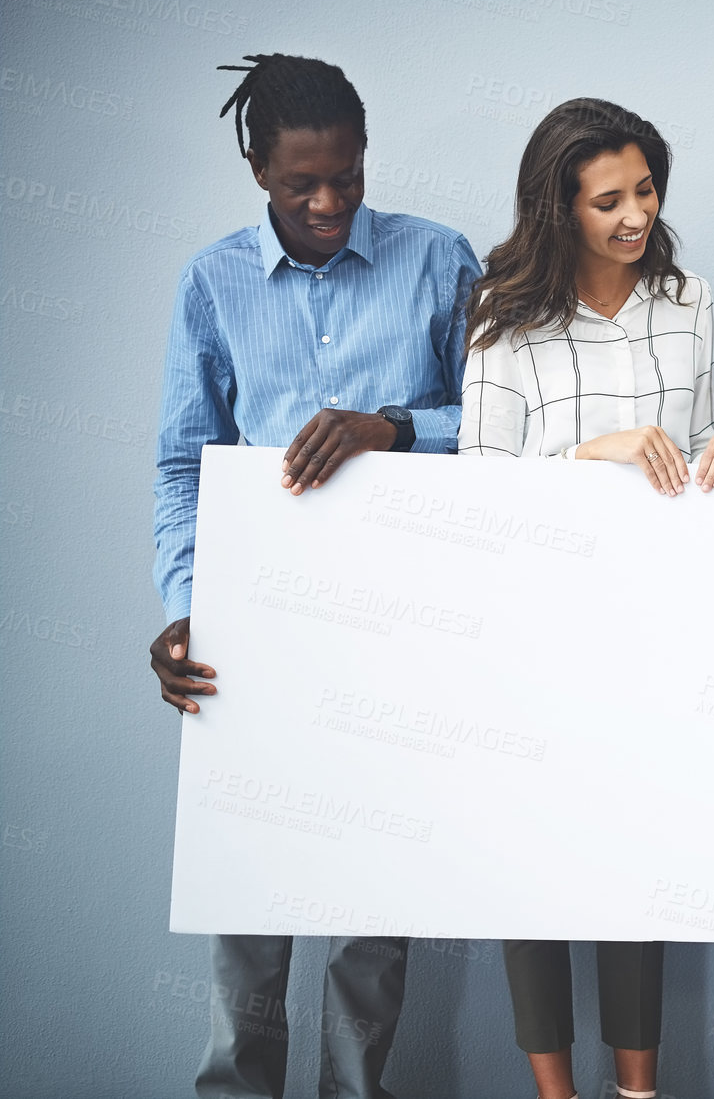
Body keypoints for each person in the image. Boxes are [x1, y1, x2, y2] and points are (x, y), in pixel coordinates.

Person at [148, 54, 481, 1099]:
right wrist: (182, 609)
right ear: (258, 170)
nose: (330, 201)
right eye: (303, 183)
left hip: (400, 632)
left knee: (370, 914)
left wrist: (393, 427)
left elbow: (501, 431)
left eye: (346, 174)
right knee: (249, 908)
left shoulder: (440, 262)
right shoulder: (212, 282)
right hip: (255, 635)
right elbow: (180, 463)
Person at [458, 97, 714, 1099]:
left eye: (646, 190)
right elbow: (480, 480)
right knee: (535, 868)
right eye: (608, 200)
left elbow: (701, 439)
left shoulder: (689, 299)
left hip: (653, 629)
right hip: (536, 632)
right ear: (559, 208)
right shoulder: (504, 315)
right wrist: (592, 453)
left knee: (636, 863)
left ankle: (637, 1088)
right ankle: (555, 1091)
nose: (636, 215)